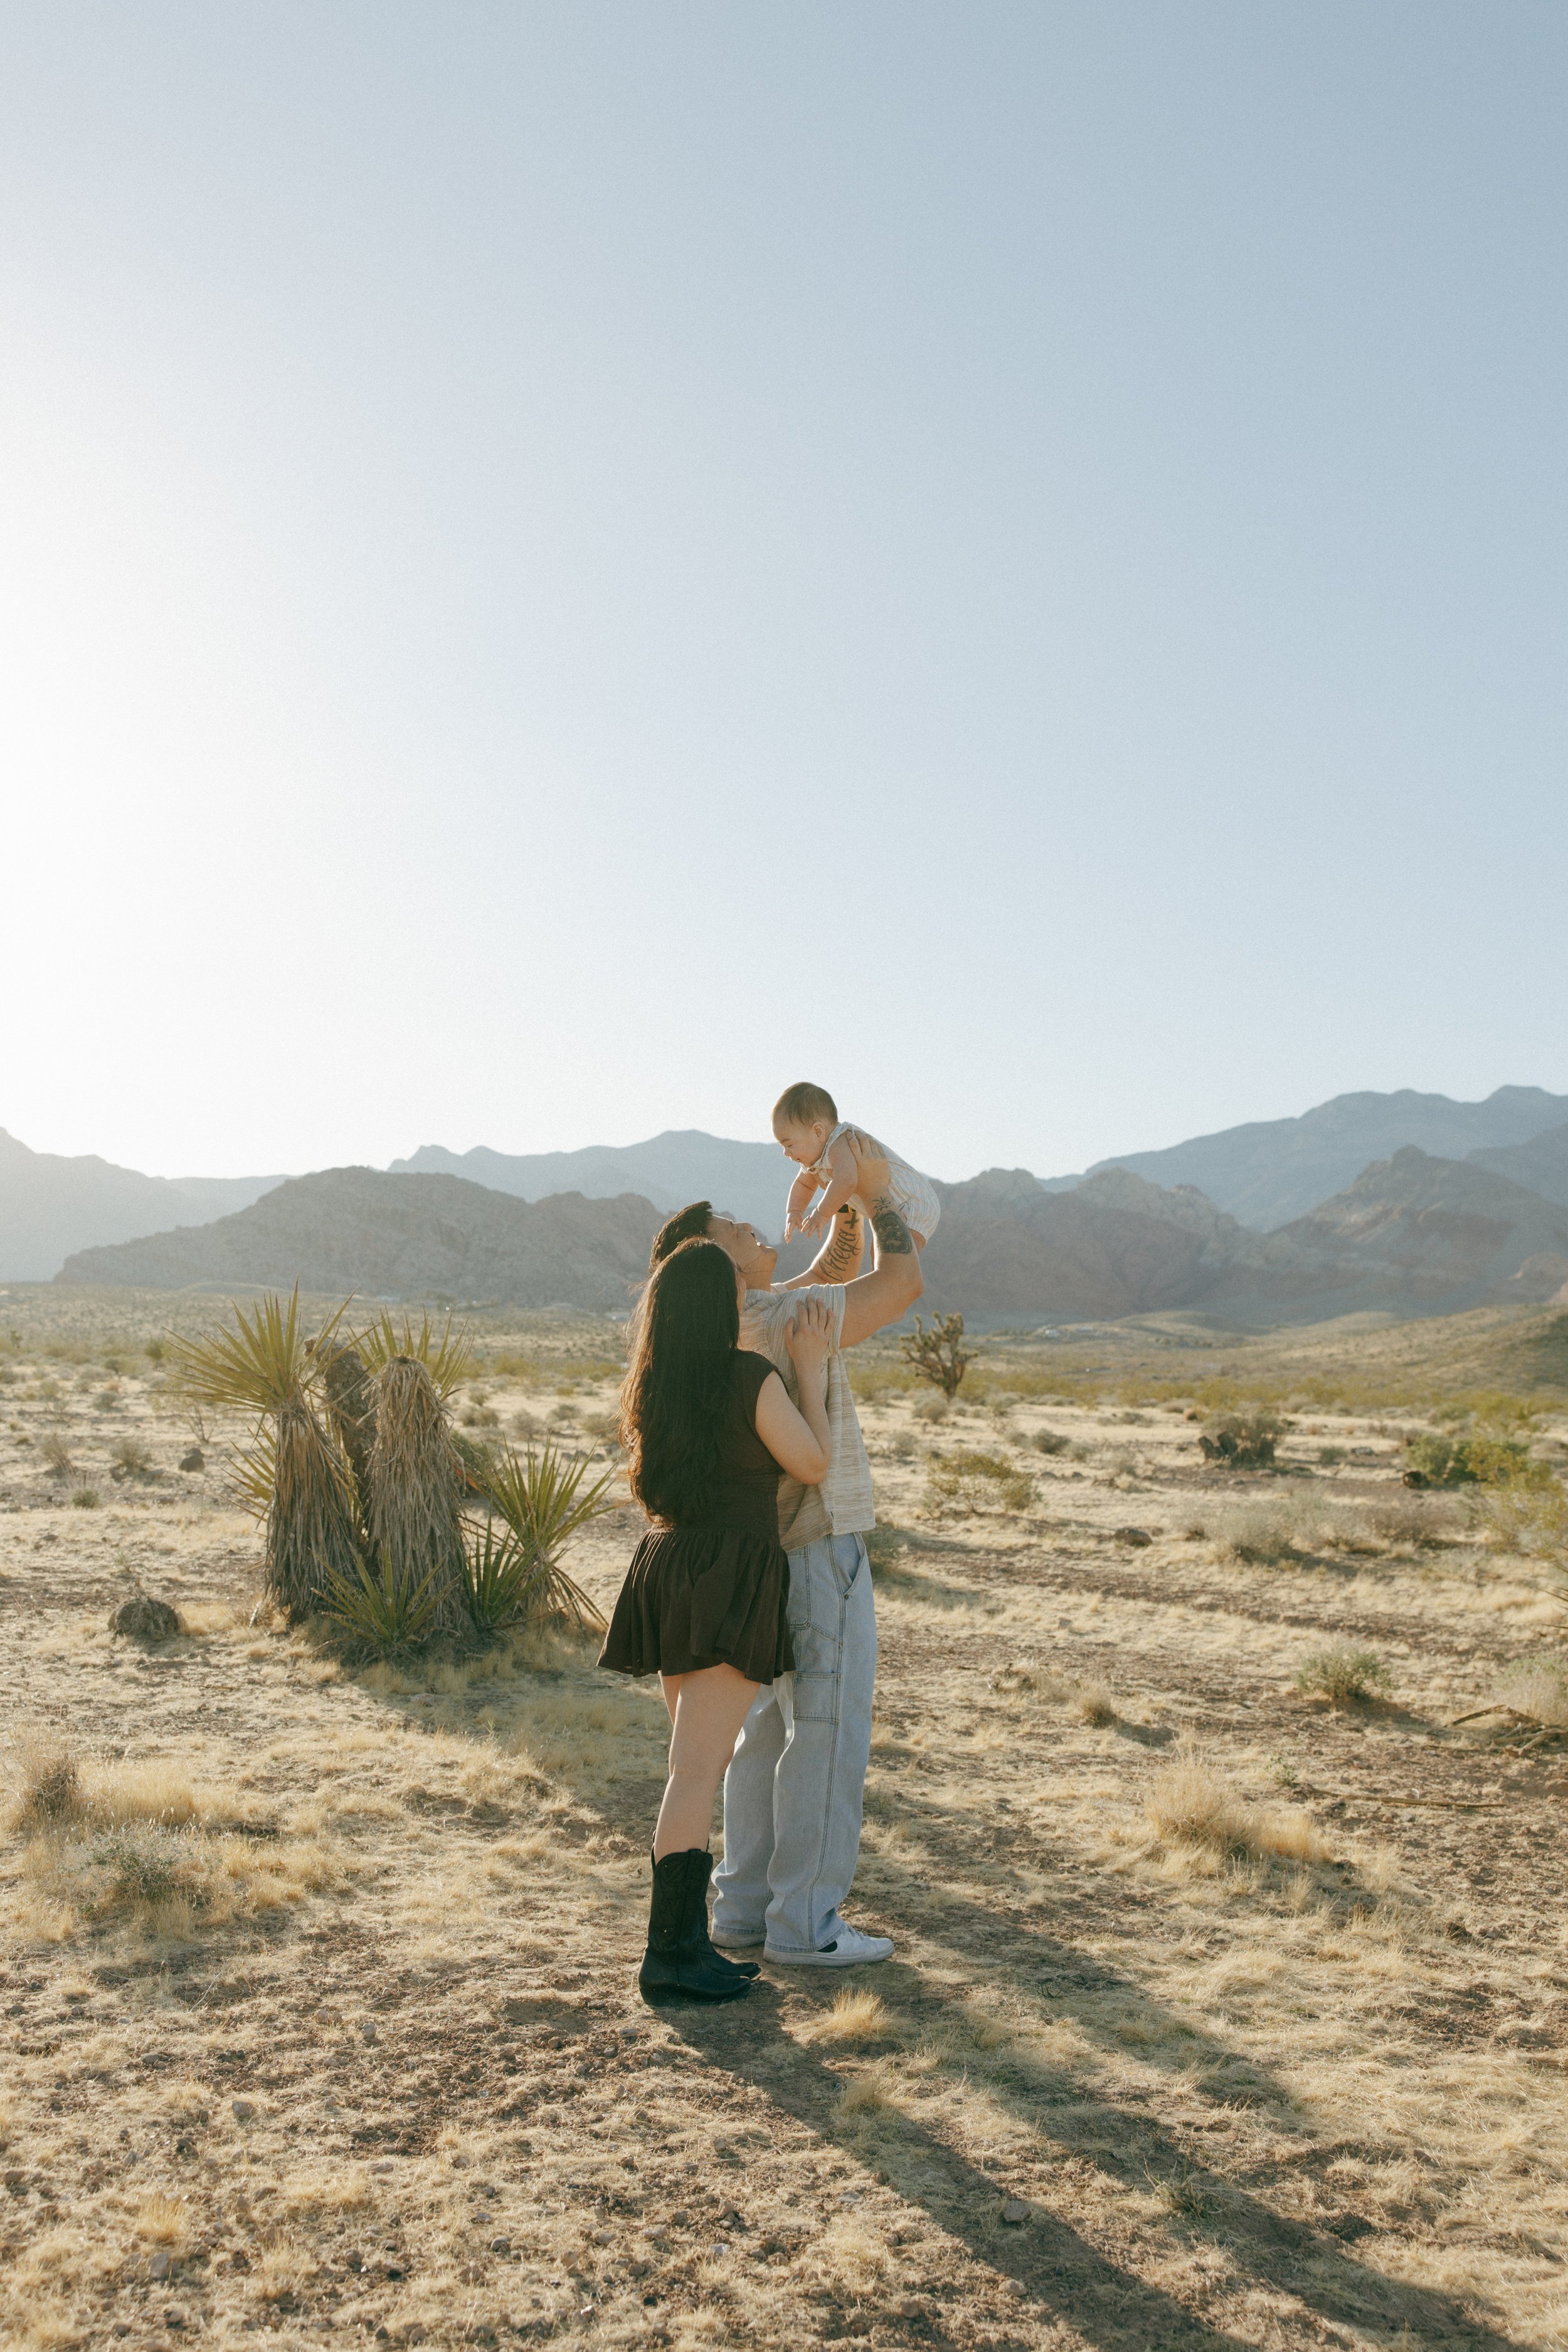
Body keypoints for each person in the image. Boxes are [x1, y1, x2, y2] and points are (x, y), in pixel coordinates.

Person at [645, 1133, 924, 1966]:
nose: (749, 1223)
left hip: (751, 1557)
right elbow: (901, 1284)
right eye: (732, 1226)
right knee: (827, 1731)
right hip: (814, 1545)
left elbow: (832, 1272)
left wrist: (838, 1205)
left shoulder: (724, 1328)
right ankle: (805, 1923)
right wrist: (877, 1194)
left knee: (760, 1736)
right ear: (715, 1260)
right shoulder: (772, 1323)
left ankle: (743, 1908)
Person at [599, 1236, 835, 2005]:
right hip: (729, 1571)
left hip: (670, 1567)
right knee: (697, 1771)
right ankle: (667, 1955)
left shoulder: (652, 1387)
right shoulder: (747, 1377)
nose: (746, 1294)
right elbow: (812, 1465)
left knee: (692, 1766)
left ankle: (686, 1944)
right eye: (735, 1288)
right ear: (718, 1306)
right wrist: (810, 1368)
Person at [773, 1080, 941, 1250]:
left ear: (818, 1132)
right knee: (882, 1255)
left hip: (912, 1203)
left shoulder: (840, 1143)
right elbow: (803, 1184)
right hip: (887, 1207)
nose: (786, 1153)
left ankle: (906, 1276)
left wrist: (821, 1214)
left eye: (790, 1145)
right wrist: (794, 1212)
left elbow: (846, 1181)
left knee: (899, 1254)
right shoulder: (816, 1160)